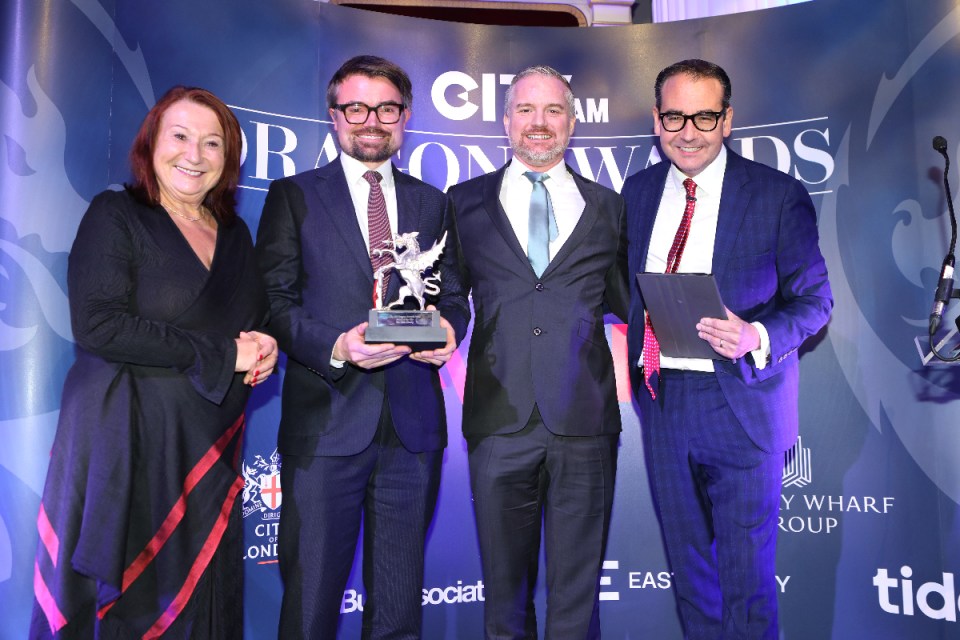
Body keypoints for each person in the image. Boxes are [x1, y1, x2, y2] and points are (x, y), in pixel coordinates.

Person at [30, 86, 278, 639]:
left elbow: (252, 320)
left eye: (213, 143)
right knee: (127, 605)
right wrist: (223, 353)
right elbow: (98, 325)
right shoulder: (117, 212)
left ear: (228, 158)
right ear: (151, 144)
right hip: (125, 439)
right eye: (181, 137)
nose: (195, 154)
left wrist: (264, 345)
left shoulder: (235, 234)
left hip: (205, 447)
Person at [255, 55, 470, 639]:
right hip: (326, 427)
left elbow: (452, 296)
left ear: (405, 117)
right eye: (356, 107)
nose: (371, 120)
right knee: (310, 606)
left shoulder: (433, 202)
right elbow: (271, 304)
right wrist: (339, 347)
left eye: (386, 107)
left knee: (399, 611)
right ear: (333, 116)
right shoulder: (293, 196)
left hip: (412, 429)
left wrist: (450, 330)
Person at [623, 59, 833, 639]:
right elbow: (621, 288)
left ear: (728, 120)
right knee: (691, 577)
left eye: (704, 116)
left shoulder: (776, 195)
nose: (688, 131)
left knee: (746, 582)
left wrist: (755, 336)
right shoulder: (637, 193)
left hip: (742, 404)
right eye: (674, 116)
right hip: (663, 401)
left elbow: (815, 302)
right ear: (656, 120)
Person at [447, 65, 629, 639]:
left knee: (577, 601)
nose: (539, 124)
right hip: (498, 419)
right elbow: (447, 296)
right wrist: (435, 332)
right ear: (506, 121)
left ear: (572, 123)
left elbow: (634, 298)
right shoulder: (461, 203)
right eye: (526, 110)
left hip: (585, 419)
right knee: (505, 597)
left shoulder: (610, 207)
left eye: (553, 111)